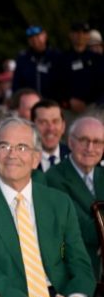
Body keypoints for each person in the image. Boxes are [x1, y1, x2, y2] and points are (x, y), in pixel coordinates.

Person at [0, 117, 98, 297]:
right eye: (4, 146)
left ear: (36, 158)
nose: (12, 155)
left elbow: (80, 263)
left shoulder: (59, 202)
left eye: (22, 147)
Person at [45, 117, 104, 279]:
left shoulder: (102, 174)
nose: (90, 148)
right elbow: (79, 227)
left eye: (97, 142)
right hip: (79, 271)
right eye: (84, 140)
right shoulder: (53, 178)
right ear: (70, 142)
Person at [12, 25, 62, 100]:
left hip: (53, 102)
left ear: (44, 35)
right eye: (31, 37)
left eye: (37, 36)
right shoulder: (23, 58)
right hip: (30, 103)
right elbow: (17, 83)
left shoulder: (56, 56)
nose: (34, 40)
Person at [30, 99, 69, 172]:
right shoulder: (25, 160)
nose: (50, 128)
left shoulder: (75, 158)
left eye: (55, 121)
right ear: (32, 127)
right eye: (43, 122)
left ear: (63, 126)